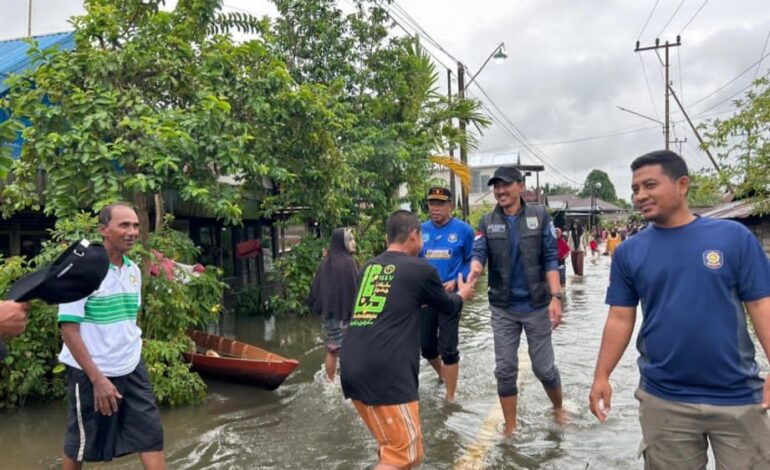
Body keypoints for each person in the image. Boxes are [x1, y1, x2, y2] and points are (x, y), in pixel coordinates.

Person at [589, 150, 770, 469]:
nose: (640, 196)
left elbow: (760, 304)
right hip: (664, 398)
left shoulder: (733, 237)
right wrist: (602, 375)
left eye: (649, 185)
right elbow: (620, 319)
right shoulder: (630, 252)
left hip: (738, 395)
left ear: (682, 185)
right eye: (635, 189)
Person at [340, 210, 475, 469]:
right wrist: (463, 293)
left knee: (389, 447)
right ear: (414, 236)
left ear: (387, 236)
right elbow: (448, 306)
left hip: (352, 365)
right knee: (405, 454)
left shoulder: (369, 267)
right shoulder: (421, 269)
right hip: (386, 371)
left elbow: (382, 306)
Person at [58, 203, 165, 470]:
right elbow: (69, 329)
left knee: (151, 434)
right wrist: (97, 379)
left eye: (136, 226)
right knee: (81, 442)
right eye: (124, 225)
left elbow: (129, 321)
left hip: (131, 366)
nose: (132, 232)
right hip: (90, 371)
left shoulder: (133, 271)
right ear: (104, 230)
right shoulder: (81, 272)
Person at [467, 166, 564, 437]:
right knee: (505, 370)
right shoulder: (486, 221)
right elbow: (479, 252)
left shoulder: (541, 216)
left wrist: (556, 297)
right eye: (496, 186)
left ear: (520, 186)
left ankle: (558, 406)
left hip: (536, 305)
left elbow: (550, 257)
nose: (500, 191)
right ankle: (511, 427)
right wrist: (474, 272)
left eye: (506, 185)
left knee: (544, 369)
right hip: (503, 307)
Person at [419, 186, 474, 402]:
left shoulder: (464, 231)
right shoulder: (420, 230)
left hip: (451, 295)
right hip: (426, 296)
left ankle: (450, 398)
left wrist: (457, 279)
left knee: (449, 348)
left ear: (450, 206)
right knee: (426, 347)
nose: (435, 208)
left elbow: (472, 260)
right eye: (432, 203)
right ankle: (442, 374)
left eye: (440, 204)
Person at [309, 228, 359, 381]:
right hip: (346, 315)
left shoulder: (325, 262)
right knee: (350, 351)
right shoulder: (349, 263)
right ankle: (348, 381)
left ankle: (330, 382)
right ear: (342, 243)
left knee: (332, 350)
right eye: (350, 239)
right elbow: (357, 289)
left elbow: (316, 288)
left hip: (329, 315)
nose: (353, 242)